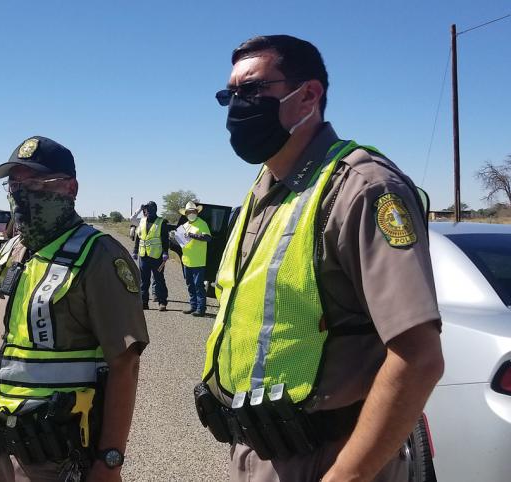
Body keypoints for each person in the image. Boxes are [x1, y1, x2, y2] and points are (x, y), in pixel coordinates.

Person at [195, 35, 444, 481]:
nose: (237, 106)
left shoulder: (363, 187)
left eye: (252, 90)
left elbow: (419, 357)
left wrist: (344, 476)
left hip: (329, 460)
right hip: (261, 453)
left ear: (309, 94)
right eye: (229, 95)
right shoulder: (263, 190)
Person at [0, 136, 149, 482]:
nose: (21, 192)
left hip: (61, 460)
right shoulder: (11, 252)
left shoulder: (99, 256)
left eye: (35, 182)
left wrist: (110, 461)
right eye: (15, 183)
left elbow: (125, 365)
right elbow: (0, 357)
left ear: (70, 188)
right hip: (5, 447)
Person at [132, 201, 170, 311]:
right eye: (146, 209)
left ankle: (162, 302)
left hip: (156, 256)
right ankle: (144, 303)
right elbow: (139, 236)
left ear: (155, 210)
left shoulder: (161, 222)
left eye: (149, 209)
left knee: (159, 280)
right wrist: (135, 250)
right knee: (144, 280)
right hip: (143, 256)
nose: (147, 211)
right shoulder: (142, 221)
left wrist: (165, 252)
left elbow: (165, 239)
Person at [177, 201, 211, 316]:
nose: (191, 213)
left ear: (197, 212)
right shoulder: (184, 226)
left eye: (193, 211)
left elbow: (207, 238)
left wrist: (193, 235)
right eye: (189, 212)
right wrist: (173, 237)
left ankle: (201, 309)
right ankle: (193, 306)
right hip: (187, 260)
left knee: (198, 285)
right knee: (190, 285)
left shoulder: (202, 224)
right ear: (186, 214)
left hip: (198, 260)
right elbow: (181, 242)